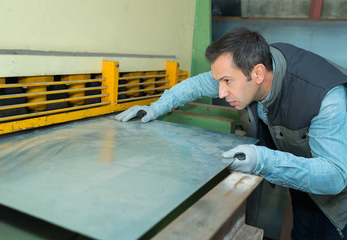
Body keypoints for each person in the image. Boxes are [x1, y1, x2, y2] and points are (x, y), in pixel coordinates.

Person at [115, 27, 347, 239]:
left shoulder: (327, 99)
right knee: (303, 232)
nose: (221, 92)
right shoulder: (250, 64)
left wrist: (263, 161)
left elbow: (335, 177)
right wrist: (155, 108)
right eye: (219, 81)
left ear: (258, 74)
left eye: (227, 81)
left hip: (340, 197)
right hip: (305, 178)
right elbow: (195, 85)